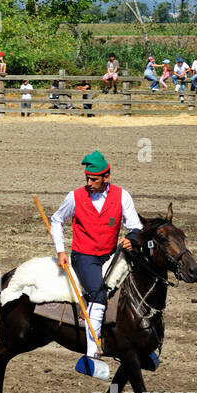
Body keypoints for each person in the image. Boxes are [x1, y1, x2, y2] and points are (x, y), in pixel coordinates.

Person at [49, 151, 142, 381]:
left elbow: (136, 227)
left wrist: (132, 238)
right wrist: (61, 250)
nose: (88, 183)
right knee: (98, 294)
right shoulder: (74, 197)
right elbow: (56, 220)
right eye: (87, 178)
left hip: (110, 254)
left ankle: (141, 345)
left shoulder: (122, 197)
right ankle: (92, 354)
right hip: (84, 256)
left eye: (94, 179)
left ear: (106, 177)